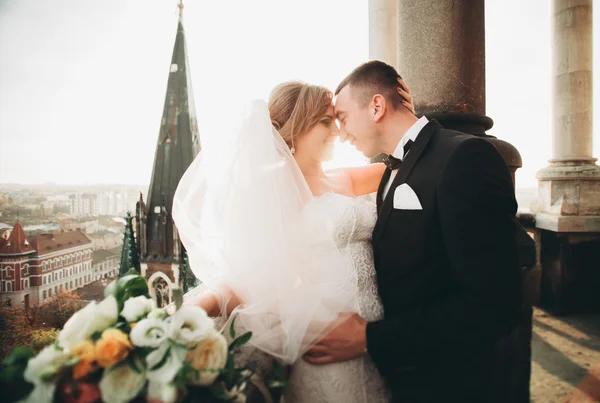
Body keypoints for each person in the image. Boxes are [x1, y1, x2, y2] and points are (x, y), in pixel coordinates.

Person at [172, 78, 414, 402]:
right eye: (326, 122)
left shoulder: (343, 178)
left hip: (377, 338)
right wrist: (203, 303)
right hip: (328, 343)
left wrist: (405, 115)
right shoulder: (272, 195)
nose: (338, 132)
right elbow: (253, 270)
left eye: (338, 121)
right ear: (294, 130)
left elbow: (409, 167)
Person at [304, 60, 523, 402]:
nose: (342, 133)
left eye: (343, 118)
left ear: (376, 106)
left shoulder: (464, 157)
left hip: (456, 383)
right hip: (404, 379)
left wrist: (369, 338)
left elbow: (495, 303)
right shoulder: (389, 170)